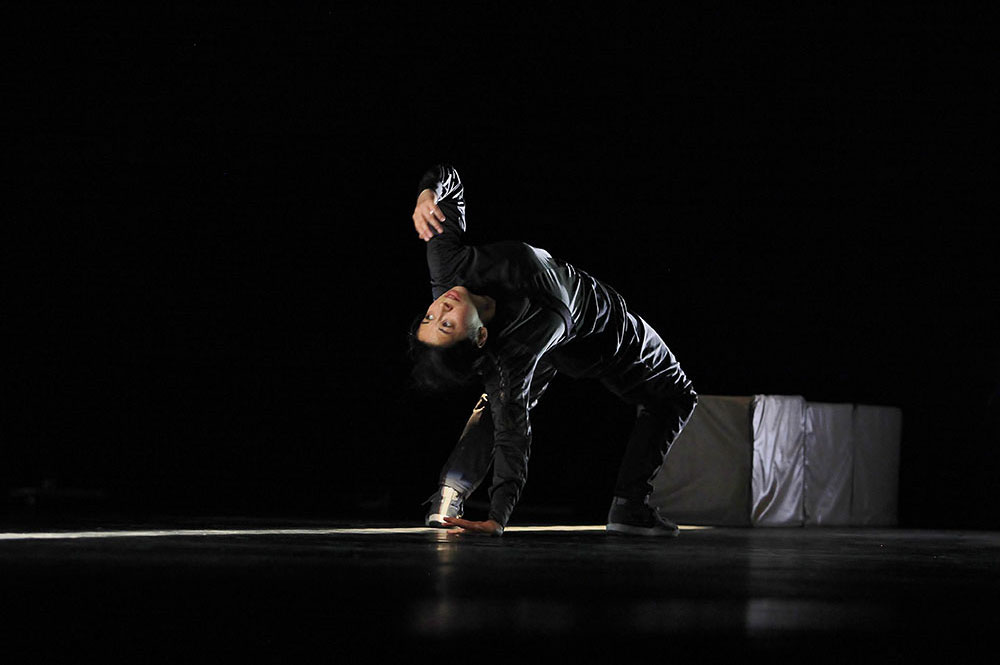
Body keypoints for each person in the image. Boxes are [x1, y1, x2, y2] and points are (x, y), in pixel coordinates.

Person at [408, 164, 697, 537]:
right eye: (446, 324)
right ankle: (630, 505)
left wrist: (428, 194)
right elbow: (515, 434)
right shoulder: (531, 332)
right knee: (676, 396)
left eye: (431, 316)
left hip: (549, 335)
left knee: (503, 398)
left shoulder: (448, 272)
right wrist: (498, 517)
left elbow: (452, 185)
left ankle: (448, 496)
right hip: (604, 339)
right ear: (479, 337)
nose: (442, 307)